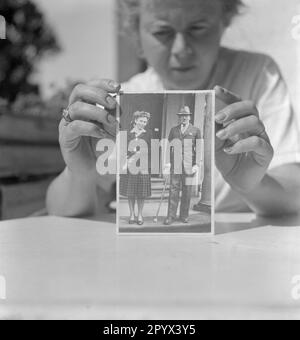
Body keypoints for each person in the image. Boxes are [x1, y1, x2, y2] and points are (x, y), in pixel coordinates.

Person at [46, 0, 300, 218]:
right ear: (136, 33)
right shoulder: (124, 102)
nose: (182, 49)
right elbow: (59, 211)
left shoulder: (258, 76)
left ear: (225, 19)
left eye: (198, 28)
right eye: (163, 32)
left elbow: (294, 188)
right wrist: (79, 175)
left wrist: (252, 185)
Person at [163, 106, 201, 225]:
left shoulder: (195, 130)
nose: (184, 117)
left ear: (189, 116)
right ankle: (171, 216)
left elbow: (199, 148)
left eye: (186, 115)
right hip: (176, 165)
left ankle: (184, 216)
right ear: (179, 117)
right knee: (173, 190)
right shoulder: (173, 130)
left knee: (187, 191)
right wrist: (168, 162)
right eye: (181, 116)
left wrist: (197, 164)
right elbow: (170, 147)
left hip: (190, 166)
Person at [119, 111, 152, 225]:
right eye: (141, 121)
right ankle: (132, 214)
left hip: (143, 167)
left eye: (145, 121)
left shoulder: (149, 134)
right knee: (131, 192)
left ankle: (140, 215)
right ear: (135, 120)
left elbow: (153, 151)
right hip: (130, 166)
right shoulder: (128, 133)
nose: (143, 123)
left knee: (141, 193)